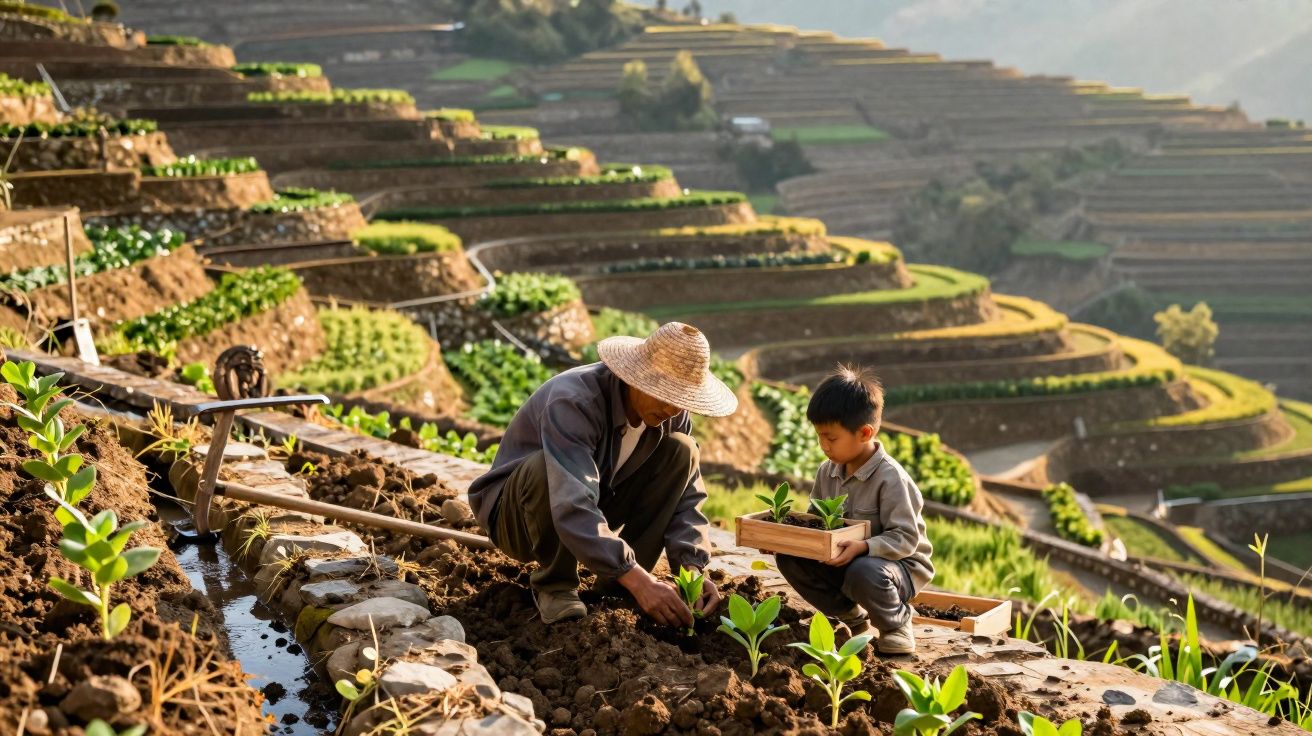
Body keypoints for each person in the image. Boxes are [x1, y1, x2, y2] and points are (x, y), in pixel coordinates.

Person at [468, 322, 737, 626]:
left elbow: (687, 498)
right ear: (638, 378)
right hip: (518, 518)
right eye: (666, 396)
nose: (674, 410)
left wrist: (692, 570)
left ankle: (617, 588)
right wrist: (638, 579)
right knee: (546, 466)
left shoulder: (672, 414)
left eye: (681, 400)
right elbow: (572, 500)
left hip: (594, 503)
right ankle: (555, 586)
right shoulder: (574, 401)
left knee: (682, 451)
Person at [775, 364, 935, 655]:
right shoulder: (827, 472)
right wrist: (786, 540)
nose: (823, 445)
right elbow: (816, 522)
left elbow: (906, 538)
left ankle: (896, 624)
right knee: (790, 558)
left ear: (864, 432)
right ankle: (850, 616)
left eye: (831, 438)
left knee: (865, 570)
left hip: (897, 568)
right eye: (819, 436)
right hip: (846, 560)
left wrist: (864, 546)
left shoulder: (891, 479)